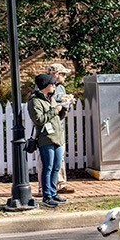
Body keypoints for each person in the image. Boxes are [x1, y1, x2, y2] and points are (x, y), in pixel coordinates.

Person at [28, 74, 70, 208]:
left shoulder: (50, 99)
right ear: (45, 86)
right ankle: (47, 196)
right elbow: (39, 120)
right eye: (52, 84)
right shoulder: (35, 101)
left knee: (56, 167)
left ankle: (53, 192)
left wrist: (64, 108)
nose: (54, 86)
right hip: (46, 139)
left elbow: (58, 117)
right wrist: (54, 110)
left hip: (57, 137)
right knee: (48, 167)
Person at [36, 63, 76, 195]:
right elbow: (44, 111)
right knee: (46, 161)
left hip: (58, 126)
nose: (65, 76)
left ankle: (59, 185)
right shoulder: (42, 90)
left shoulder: (62, 88)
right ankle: (44, 188)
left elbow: (61, 110)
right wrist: (59, 106)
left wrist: (67, 104)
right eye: (63, 74)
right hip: (47, 130)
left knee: (59, 159)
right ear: (56, 74)